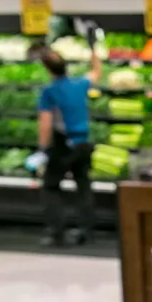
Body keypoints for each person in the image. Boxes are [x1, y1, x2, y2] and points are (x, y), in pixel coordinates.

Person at [37, 44, 101, 246]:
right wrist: (93, 49)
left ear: (47, 70)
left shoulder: (49, 92)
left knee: (51, 186)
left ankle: (57, 232)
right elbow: (97, 72)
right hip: (83, 142)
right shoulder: (79, 84)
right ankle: (86, 231)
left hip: (63, 144)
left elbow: (46, 124)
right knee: (83, 185)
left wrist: (43, 149)